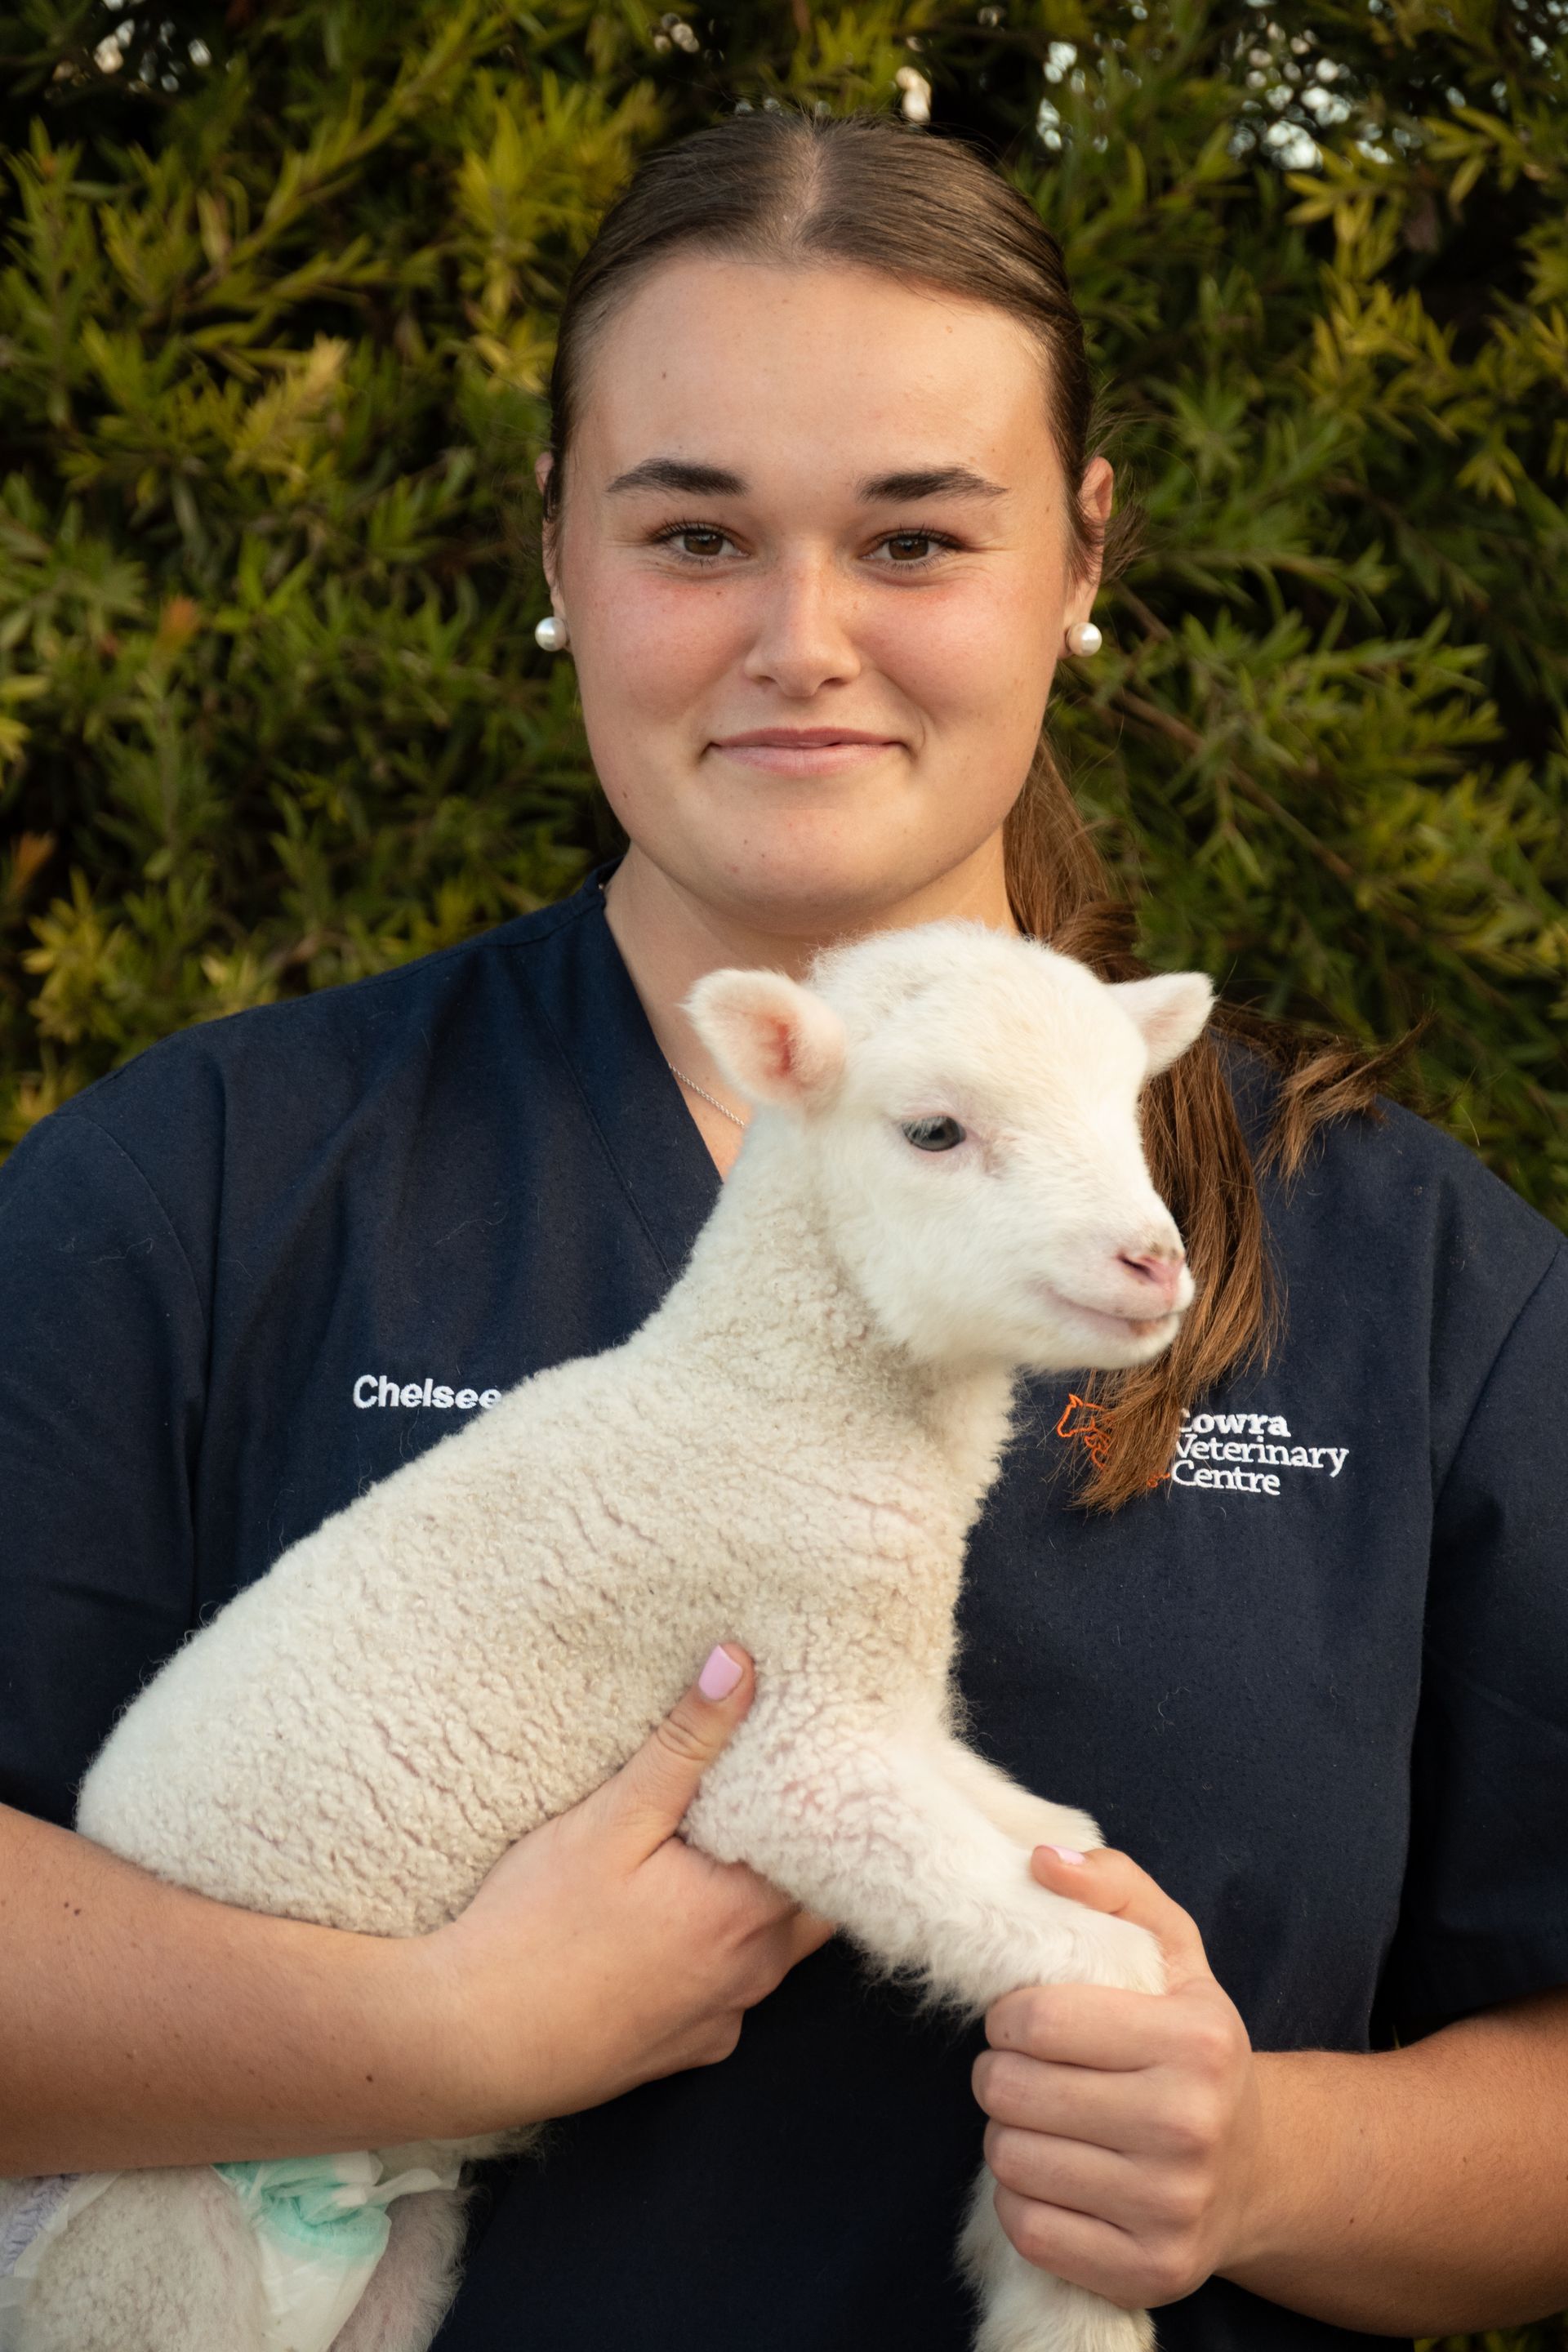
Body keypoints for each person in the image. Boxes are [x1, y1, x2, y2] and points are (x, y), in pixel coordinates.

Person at [1, 108, 1565, 2352]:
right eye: (699, 533)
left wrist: (1275, 2159)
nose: (803, 642)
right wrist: (446, 2041)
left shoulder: (1412, 1278)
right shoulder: (208, 1187)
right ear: (556, 544)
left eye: (918, 537)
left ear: (1083, 552)